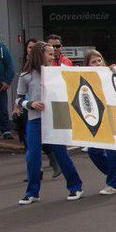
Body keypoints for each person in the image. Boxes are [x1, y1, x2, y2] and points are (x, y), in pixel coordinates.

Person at [16, 41, 83, 204]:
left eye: (54, 53)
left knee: (61, 154)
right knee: (33, 156)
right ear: (40, 54)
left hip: (56, 118)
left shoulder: (59, 72)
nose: (53, 57)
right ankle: (32, 192)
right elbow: (18, 99)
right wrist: (30, 104)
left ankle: (75, 186)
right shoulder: (25, 76)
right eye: (50, 54)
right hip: (35, 119)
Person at [82, 50, 116, 195]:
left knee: (113, 149)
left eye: (99, 60)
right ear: (87, 65)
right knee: (93, 151)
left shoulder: (110, 73)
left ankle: (113, 184)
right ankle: (114, 172)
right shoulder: (84, 78)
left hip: (113, 116)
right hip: (97, 119)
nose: (98, 64)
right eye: (93, 62)